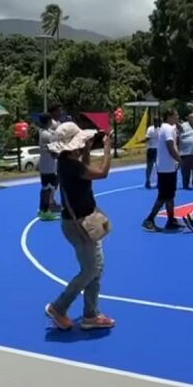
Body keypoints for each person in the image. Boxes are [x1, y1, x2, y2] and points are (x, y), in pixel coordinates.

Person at [44, 122, 116, 331]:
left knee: (97, 268)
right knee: (90, 270)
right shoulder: (72, 166)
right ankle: (59, 306)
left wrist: (85, 151)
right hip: (80, 225)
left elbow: (86, 173)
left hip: (78, 222)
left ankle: (91, 314)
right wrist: (107, 148)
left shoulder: (67, 163)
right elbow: (101, 173)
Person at [142, 110, 181, 232]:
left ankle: (170, 220)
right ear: (169, 116)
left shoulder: (168, 128)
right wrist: (180, 160)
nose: (177, 117)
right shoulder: (168, 128)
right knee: (163, 196)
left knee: (170, 195)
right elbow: (170, 147)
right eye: (176, 115)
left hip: (168, 167)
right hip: (166, 168)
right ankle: (149, 219)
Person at [37, 106, 64, 220]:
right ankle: (45, 210)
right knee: (48, 188)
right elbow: (54, 152)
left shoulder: (43, 132)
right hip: (48, 166)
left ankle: (43, 209)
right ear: (48, 121)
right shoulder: (46, 135)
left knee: (47, 187)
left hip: (47, 165)